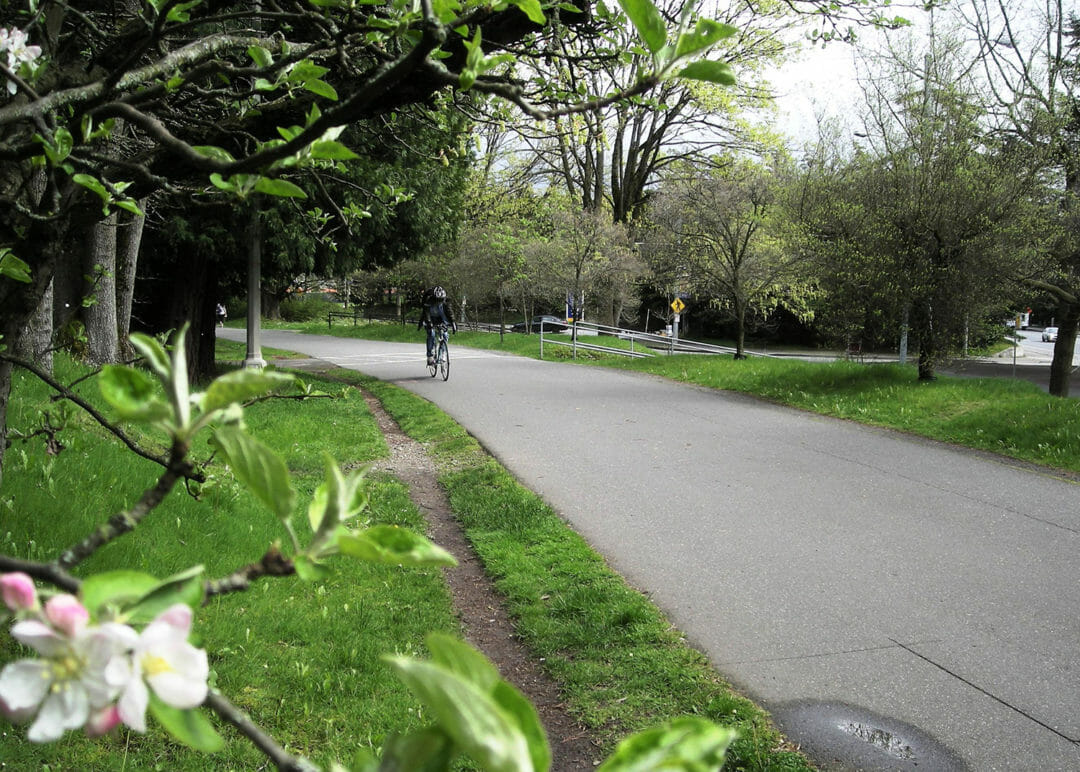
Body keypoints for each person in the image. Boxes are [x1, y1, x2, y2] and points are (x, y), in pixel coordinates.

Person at [417, 286, 457, 366]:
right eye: (438, 300)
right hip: (430, 318)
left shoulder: (446, 302)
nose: (439, 302)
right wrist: (429, 324)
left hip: (440, 318)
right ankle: (430, 356)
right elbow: (426, 314)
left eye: (441, 300)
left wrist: (453, 323)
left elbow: (449, 312)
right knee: (431, 334)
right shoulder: (429, 301)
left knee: (445, 335)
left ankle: (443, 354)